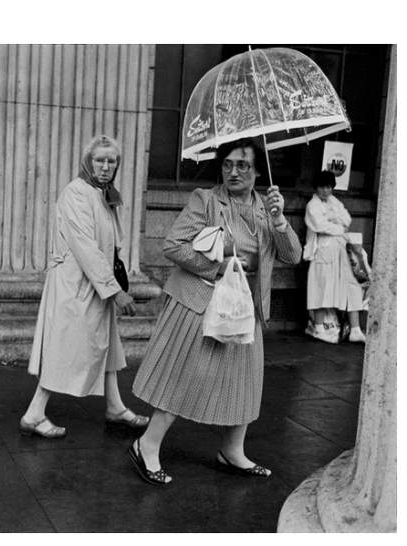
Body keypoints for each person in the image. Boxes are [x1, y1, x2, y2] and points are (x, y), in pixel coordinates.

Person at [128, 138, 302, 484]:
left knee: (245, 381)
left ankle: (232, 452)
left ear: (257, 170)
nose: (234, 171)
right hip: (201, 304)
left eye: (243, 165)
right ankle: (145, 445)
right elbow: (173, 245)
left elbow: (293, 256)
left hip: (243, 308)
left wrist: (280, 221)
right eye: (227, 164)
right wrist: (221, 267)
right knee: (185, 376)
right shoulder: (205, 200)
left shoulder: (267, 210)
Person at [22, 135, 149, 438]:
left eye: (112, 161)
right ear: (88, 161)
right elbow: (85, 246)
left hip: (94, 284)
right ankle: (34, 413)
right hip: (76, 286)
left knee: (106, 345)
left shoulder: (104, 194)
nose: (106, 166)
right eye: (100, 160)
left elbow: (111, 243)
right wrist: (115, 290)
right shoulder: (76, 193)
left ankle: (115, 406)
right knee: (65, 348)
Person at [303, 170, 367, 344]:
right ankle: (318, 328)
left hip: (341, 249)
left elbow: (346, 219)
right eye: (322, 187)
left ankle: (355, 329)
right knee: (321, 286)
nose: (326, 191)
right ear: (316, 188)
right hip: (322, 250)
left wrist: (333, 218)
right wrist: (336, 225)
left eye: (329, 187)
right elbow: (319, 225)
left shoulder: (334, 202)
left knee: (351, 284)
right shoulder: (313, 205)